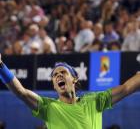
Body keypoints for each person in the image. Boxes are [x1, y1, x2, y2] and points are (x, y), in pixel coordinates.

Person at [0, 53, 140, 129]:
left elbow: (126, 89)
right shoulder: (48, 107)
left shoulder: (94, 100)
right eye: (54, 75)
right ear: (54, 86)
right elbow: (21, 92)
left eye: (63, 72)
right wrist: (1, 66)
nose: (58, 76)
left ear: (74, 79)